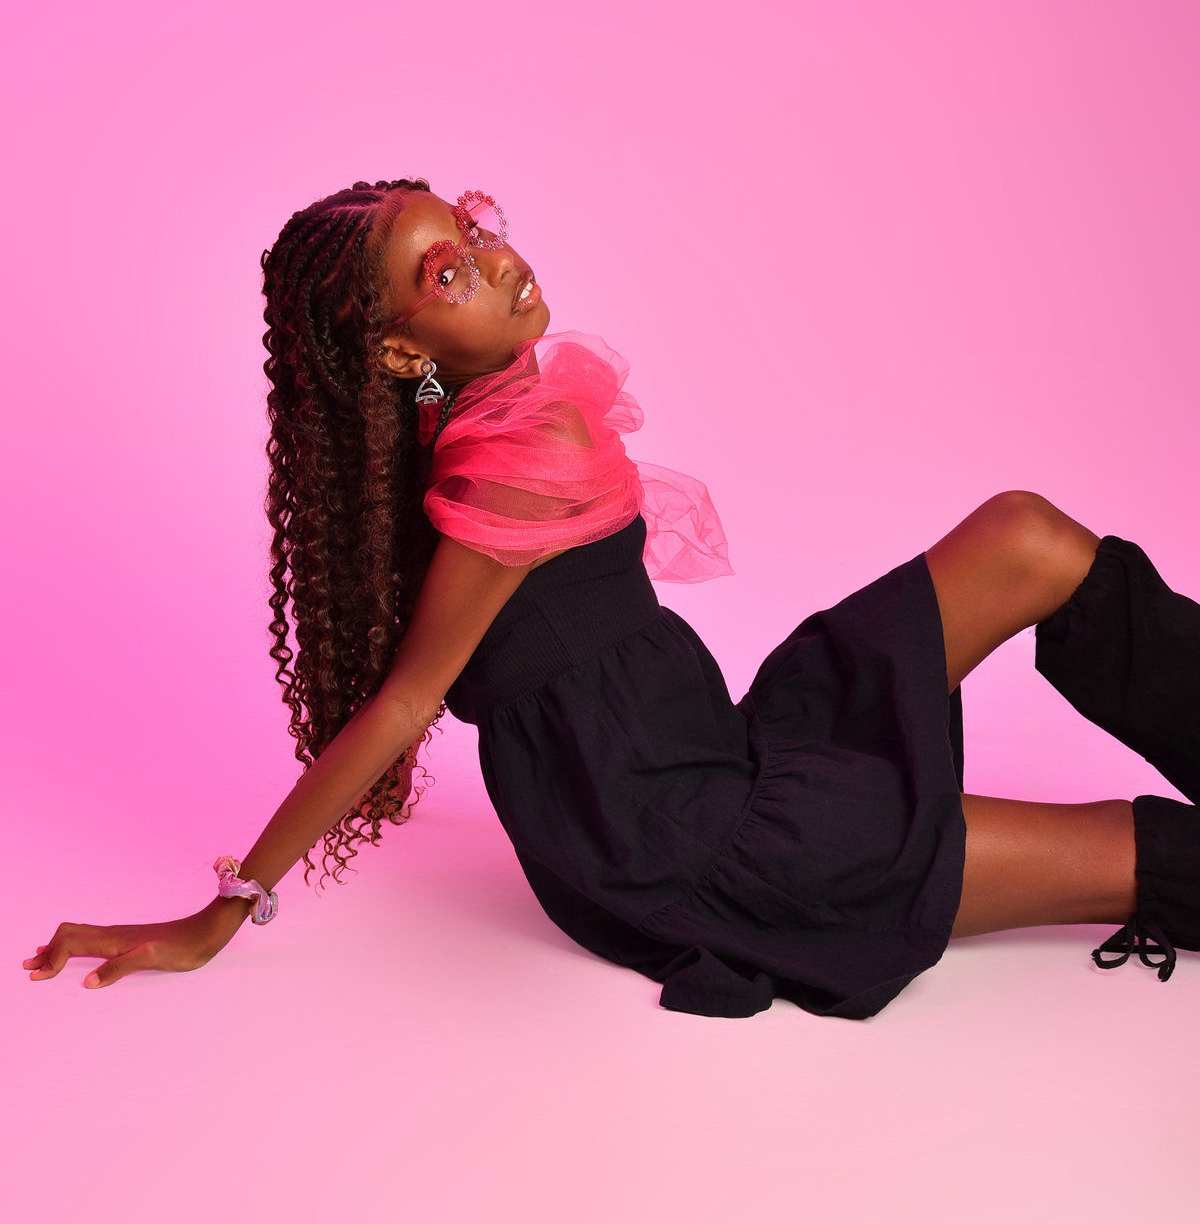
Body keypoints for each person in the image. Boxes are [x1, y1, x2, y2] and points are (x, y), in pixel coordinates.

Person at [24, 179, 1200, 1016]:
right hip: (698, 843)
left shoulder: (484, 419)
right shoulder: (513, 459)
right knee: (1131, 849)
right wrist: (224, 908)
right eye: (447, 273)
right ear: (399, 352)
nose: (496, 261)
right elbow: (403, 705)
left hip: (724, 745)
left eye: (472, 230)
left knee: (1023, 533)